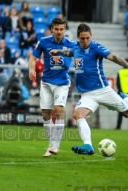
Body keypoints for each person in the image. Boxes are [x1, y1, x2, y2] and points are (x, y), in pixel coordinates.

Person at [49, 23, 128, 155]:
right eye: (82, 38)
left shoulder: (95, 47)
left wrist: (127, 64)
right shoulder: (76, 47)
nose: (85, 41)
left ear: (91, 36)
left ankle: (126, 99)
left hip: (103, 90)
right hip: (87, 94)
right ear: (78, 37)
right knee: (78, 115)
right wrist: (57, 51)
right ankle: (88, 146)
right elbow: (69, 52)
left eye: (87, 38)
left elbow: (113, 57)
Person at [28, 17, 76, 157]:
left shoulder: (71, 45)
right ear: (52, 29)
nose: (59, 31)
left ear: (65, 29)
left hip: (62, 83)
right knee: (45, 115)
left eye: (62, 29)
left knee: (59, 110)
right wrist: (31, 69)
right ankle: (51, 144)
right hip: (46, 82)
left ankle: (56, 145)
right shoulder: (43, 42)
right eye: (56, 29)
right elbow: (32, 58)